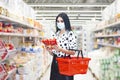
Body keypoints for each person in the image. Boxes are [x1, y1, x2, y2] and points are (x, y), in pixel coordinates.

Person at [46, 12, 77, 80]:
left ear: (66, 22)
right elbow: (55, 53)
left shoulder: (70, 34)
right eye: (58, 21)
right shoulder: (56, 34)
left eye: (61, 21)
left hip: (66, 63)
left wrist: (61, 49)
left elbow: (73, 52)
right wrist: (49, 50)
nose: (59, 23)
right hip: (55, 62)